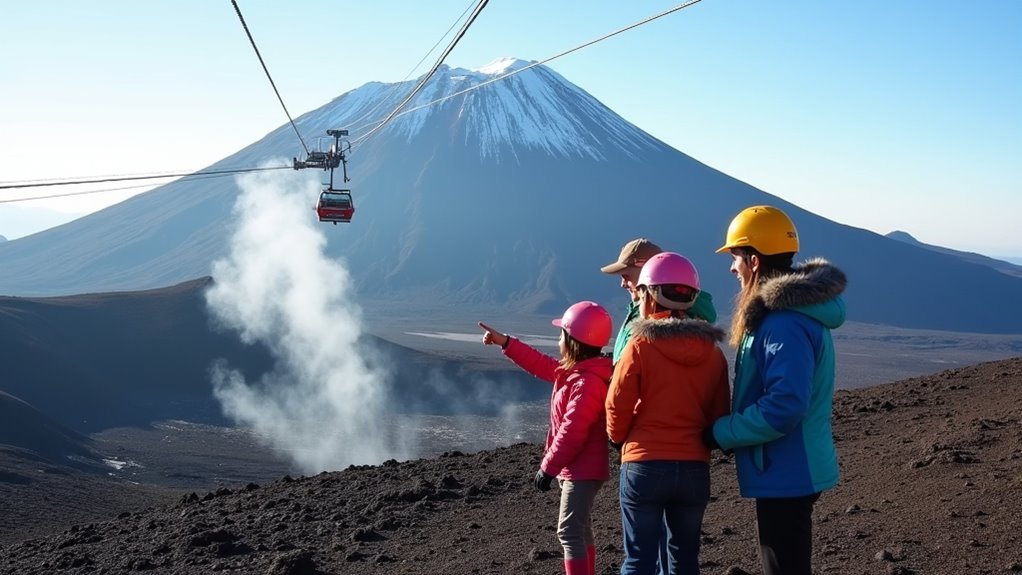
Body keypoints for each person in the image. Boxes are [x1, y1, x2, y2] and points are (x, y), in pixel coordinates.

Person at [703, 205, 847, 575]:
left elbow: (785, 404)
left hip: (788, 468)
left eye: (735, 257)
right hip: (787, 467)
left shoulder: (783, 323)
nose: (731, 267)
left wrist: (722, 432)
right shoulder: (789, 316)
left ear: (753, 260)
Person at [605, 252, 731, 575]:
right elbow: (719, 413)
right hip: (693, 470)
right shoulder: (713, 354)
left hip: (643, 466)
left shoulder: (640, 345)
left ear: (649, 296)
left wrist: (619, 439)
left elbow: (616, 403)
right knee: (684, 561)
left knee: (638, 561)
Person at [479, 301, 614, 575]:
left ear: (573, 340)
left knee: (569, 533)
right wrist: (505, 343)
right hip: (579, 469)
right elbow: (541, 364)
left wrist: (548, 468)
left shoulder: (586, 382)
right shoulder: (576, 374)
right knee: (580, 531)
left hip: (582, 471)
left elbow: (571, 431)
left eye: (561, 334)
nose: (558, 339)